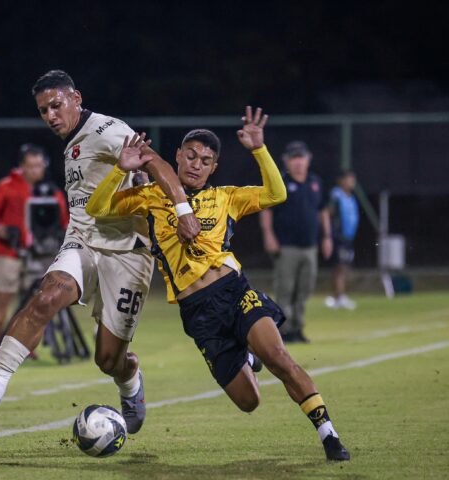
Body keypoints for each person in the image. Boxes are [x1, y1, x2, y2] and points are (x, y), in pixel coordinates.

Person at [85, 107, 351, 461]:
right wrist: (122, 168)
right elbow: (97, 208)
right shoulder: (150, 197)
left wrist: (259, 149)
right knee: (248, 401)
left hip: (234, 291)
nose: (196, 164)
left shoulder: (226, 197)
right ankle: (247, 356)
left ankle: (329, 434)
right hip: (198, 314)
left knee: (279, 357)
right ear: (177, 157)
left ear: (214, 168)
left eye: (205, 160)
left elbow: (276, 194)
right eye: (190, 156)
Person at [0, 69, 201, 431]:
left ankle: (130, 378)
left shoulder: (107, 130)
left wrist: (183, 209)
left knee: (108, 359)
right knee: (45, 298)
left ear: (76, 97)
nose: (51, 116)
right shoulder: (71, 139)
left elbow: (156, 163)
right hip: (82, 240)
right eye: (43, 110)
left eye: (56, 105)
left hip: (126, 251)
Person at [0, 144, 65, 356]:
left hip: (39, 256)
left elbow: (63, 222)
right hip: (9, 252)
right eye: (31, 166)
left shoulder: (51, 192)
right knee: (3, 301)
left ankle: (26, 347)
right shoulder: (7, 185)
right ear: (22, 167)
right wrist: (1, 230)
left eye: (39, 166)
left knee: (33, 305)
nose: (35, 170)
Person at [259, 140, 332, 343]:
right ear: (286, 161)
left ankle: (298, 327)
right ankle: (284, 330)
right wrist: (268, 235)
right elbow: (267, 211)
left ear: (308, 159)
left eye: (301, 158)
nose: (298, 162)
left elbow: (322, 210)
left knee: (304, 290)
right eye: (294, 158)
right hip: (286, 246)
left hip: (310, 246)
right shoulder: (280, 182)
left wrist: (327, 237)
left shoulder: (315, 182)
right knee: (285, 290)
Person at [324, 170, 359, 310]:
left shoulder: (350, 197)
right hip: (338, 237)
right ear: (342, 181)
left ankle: (339, 296)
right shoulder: (336, 195)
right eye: (349, 179)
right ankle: (338, 297)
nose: (352, 182)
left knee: (344, 267)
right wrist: (329, 233)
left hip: (348, 237)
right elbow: (328, 212)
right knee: (339, 267)